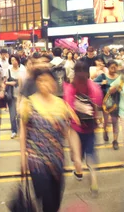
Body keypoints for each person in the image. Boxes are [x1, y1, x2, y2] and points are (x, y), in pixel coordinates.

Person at [19, 68, 77, 211]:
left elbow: (68, 131)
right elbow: (23, 131)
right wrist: (22, 157)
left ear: (54, 83)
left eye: (47, 80)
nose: (43, 84)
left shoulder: (61, 104)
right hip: (36, 160)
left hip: (57, 159)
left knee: (55, 200)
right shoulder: (28, 103)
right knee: (46, 199)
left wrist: (75, 154)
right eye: (40, 80)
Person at [64, 61, 103, 195]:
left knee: (76, 154)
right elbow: (98, 105)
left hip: (75, 127)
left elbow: (68, 108)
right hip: (90, 127)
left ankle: (78, 170)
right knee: (90, 154)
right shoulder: (94, 87)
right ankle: (94, 182)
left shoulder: (71, 87)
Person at [94, 60, 120, 150]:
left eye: (115, 67)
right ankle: (105, 131)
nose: (114, 69)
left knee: (115, 121)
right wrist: (101, 83)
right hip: (105, 102)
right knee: (106, 120)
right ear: (108, 68)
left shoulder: (119, 77)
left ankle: (115, 140)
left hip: (116, 102)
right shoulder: (103, 76)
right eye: (112, 67)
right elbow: (93, 83)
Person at [6, 55, 25, 138]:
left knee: (20, 115)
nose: (14, 62)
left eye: (15, 60)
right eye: (12, 60)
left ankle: (21, 130)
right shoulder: (8, 71)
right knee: (13, 115)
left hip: (21, 96)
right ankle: (14, 130)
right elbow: (4, 82)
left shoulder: (23, 70)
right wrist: (10, 83)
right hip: (12, 95)